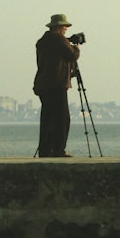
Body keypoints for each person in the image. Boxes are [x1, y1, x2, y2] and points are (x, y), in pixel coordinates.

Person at [33, 13, 81, 158]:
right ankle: (59, 150)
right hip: (57, 83)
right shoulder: (58, 39)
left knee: (48, 117)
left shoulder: (43, 41)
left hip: (43, 84)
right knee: (62, 118)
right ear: (58, 27)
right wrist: (76, 47)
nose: (66, 29)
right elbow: (72, 55)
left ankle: (45, 150)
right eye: (64, 26)